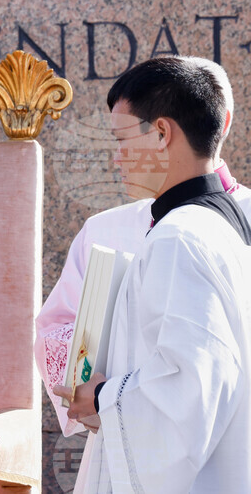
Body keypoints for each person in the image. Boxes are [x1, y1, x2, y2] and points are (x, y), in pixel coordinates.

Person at [53, 57, 251, 492]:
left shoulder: (179, 236)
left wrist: (103, 398)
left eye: (122, 139)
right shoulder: (225, 223)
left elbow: (192, 386)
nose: (116, 158)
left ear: (161, 133)